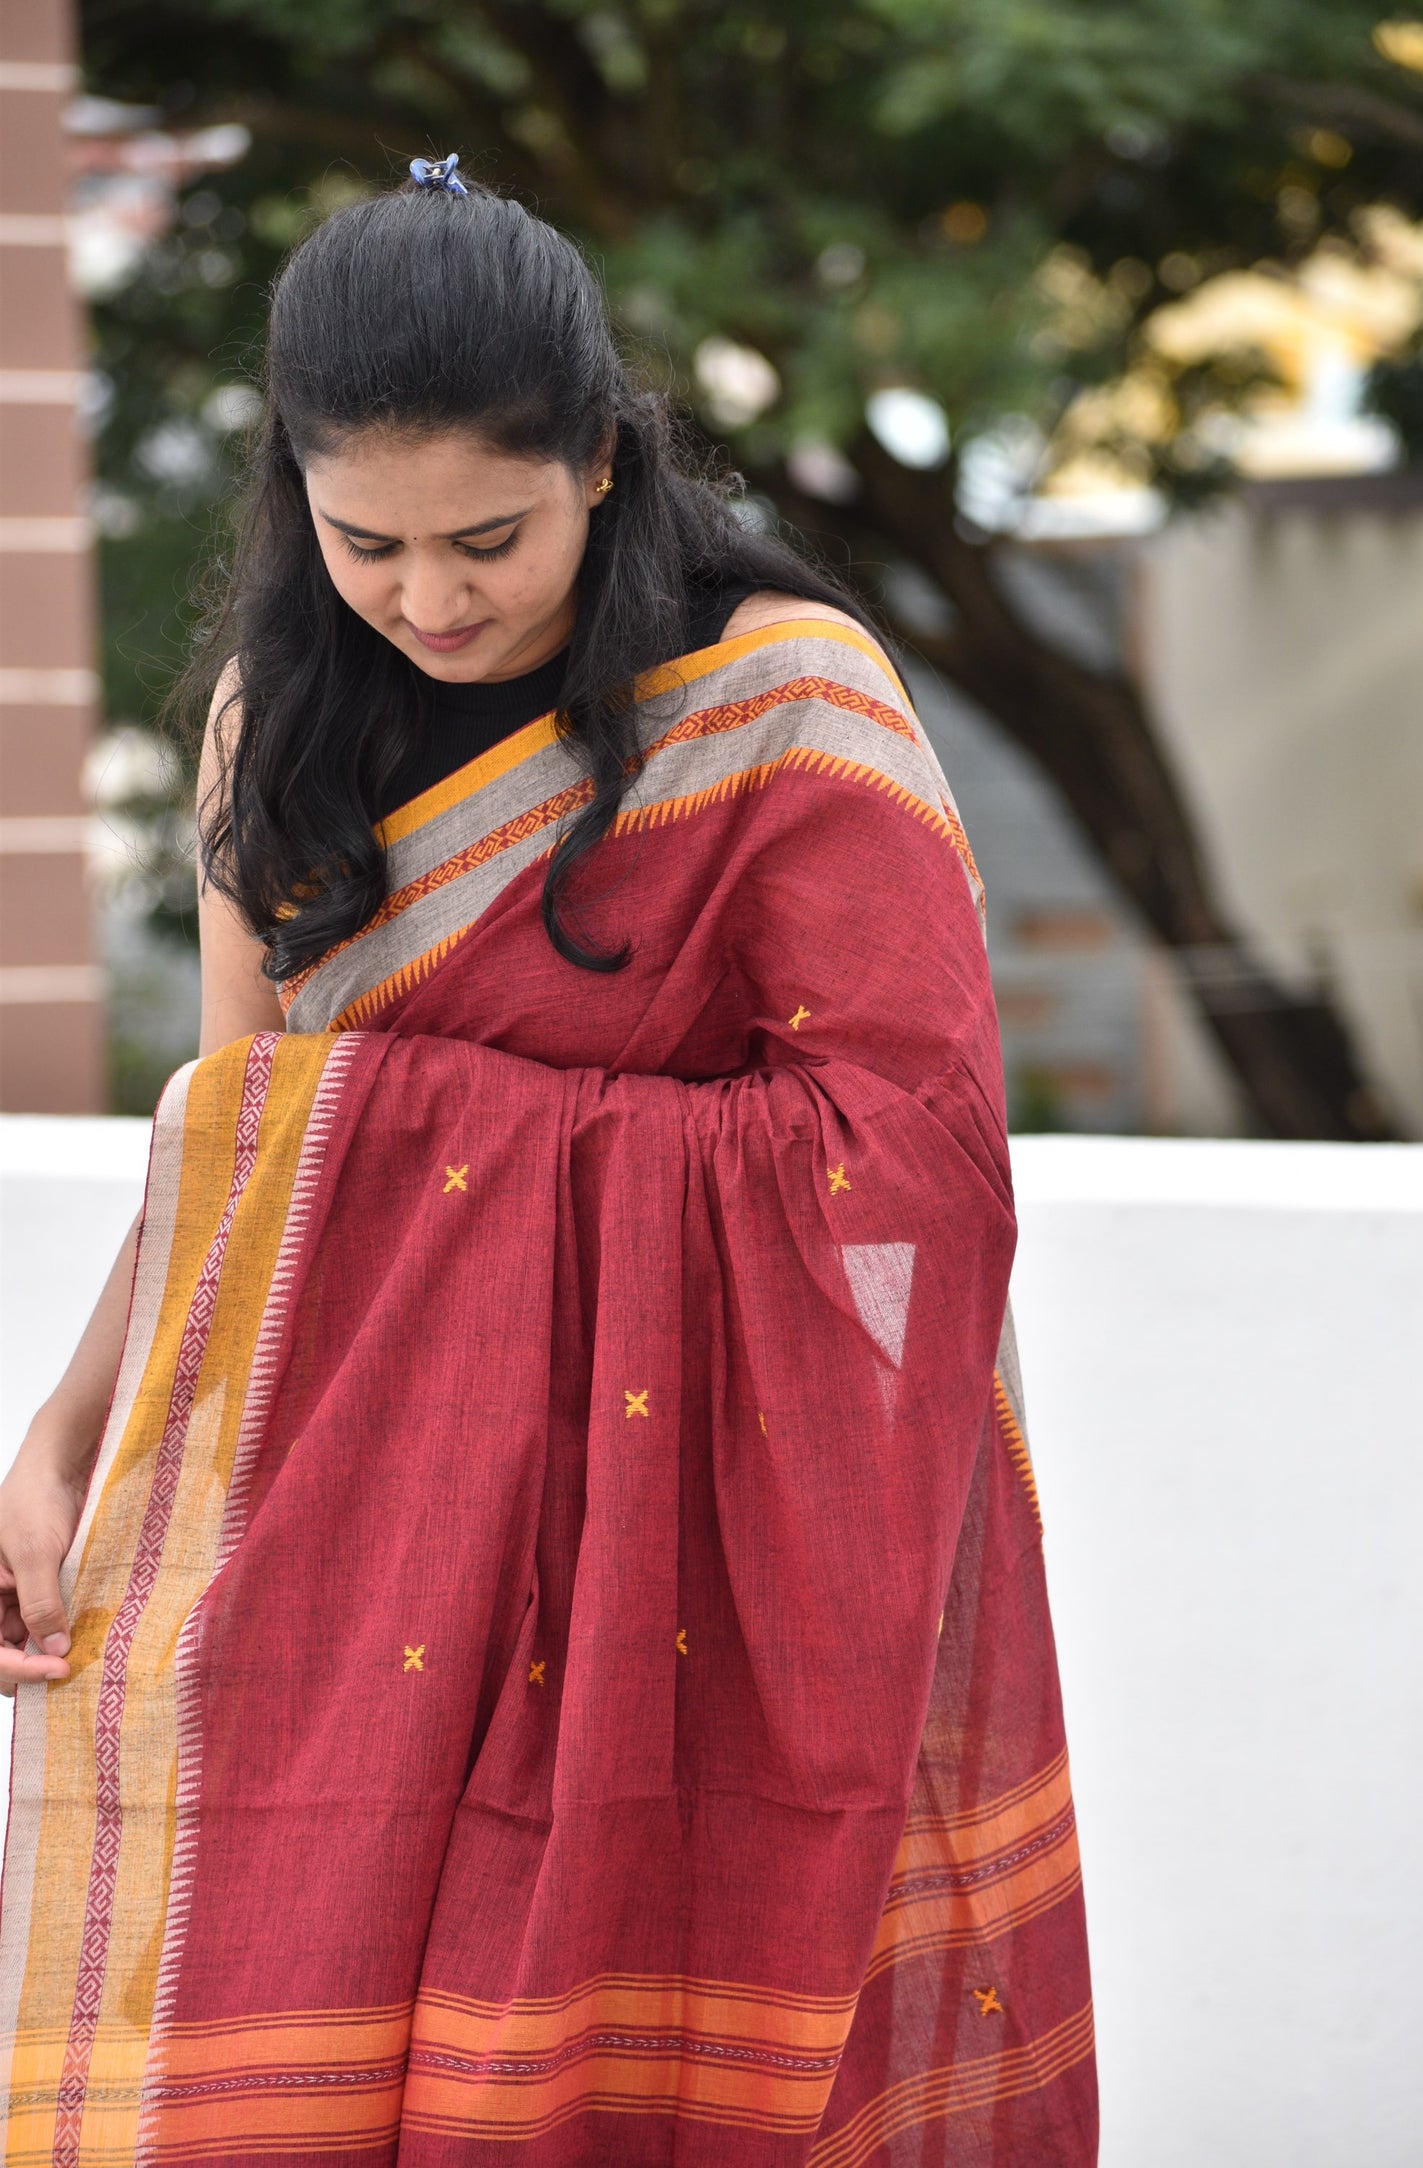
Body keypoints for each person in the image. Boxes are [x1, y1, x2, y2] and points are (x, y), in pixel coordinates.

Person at [0, 161, 1096, 2165]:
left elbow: (914, 1162)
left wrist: (446, 1137)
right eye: (368, 544)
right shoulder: (284, 731)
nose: (430, 599)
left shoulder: (778, 705)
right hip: (360, 1513)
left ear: (601, 457)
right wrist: (65, 1432)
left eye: (488, 537)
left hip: (685, 1554)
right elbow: (253, 1151)